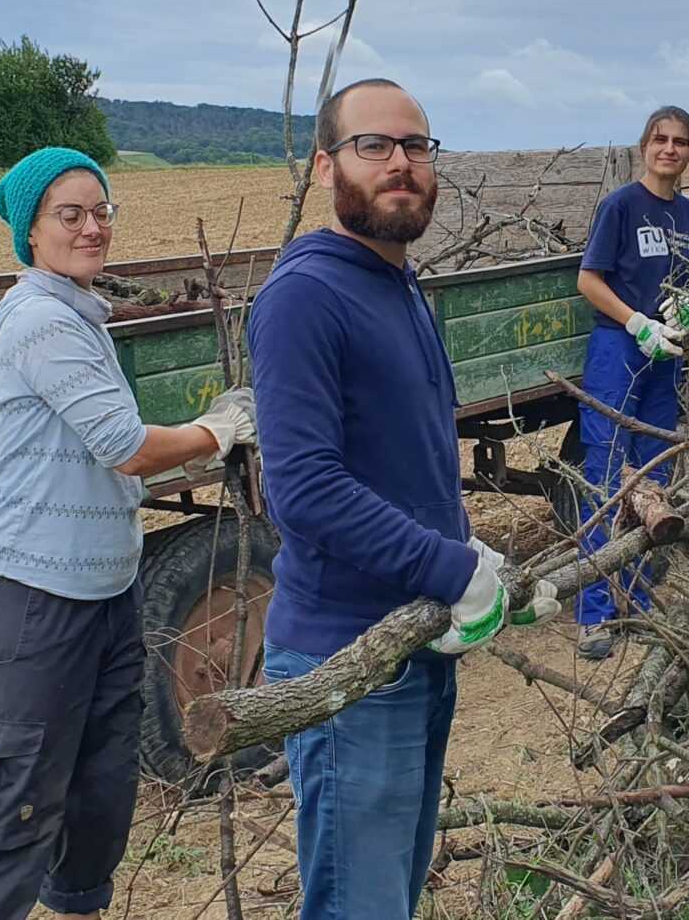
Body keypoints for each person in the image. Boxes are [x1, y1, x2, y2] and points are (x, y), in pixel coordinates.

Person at [250, 78, 557, 920]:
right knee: (361, 906)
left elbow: (410, 462)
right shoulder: (305, 296)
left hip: (414, 644)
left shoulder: (401, 286)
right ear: (325, 166)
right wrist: (453, 565)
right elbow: (304, 489)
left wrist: (483, 564)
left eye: (416, 147)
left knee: (392, 894)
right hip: (350, 664)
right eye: (374, 146)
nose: (401, 164)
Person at [0, 147, 257, 920]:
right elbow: (128, 447)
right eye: (69, 214)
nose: (92, 227)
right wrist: (219, 429)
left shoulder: (78, 311)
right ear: (31, 232)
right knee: (3, 818)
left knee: (97, 794)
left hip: (102, 595)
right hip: (29, 607)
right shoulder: (43, 321)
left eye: (102, 211)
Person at [570, 106, 689, 660]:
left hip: (664, 356)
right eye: (661, 139)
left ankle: (639, 600)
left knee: (655, 471)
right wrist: (636, 321)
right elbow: (588, 278)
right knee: (607, 474)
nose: (670, 149)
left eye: (680, 142)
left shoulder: (688, 216)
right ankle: (595, 617)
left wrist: (688, 310)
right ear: (644, 147)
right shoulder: (621, 206)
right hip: (619, 349)